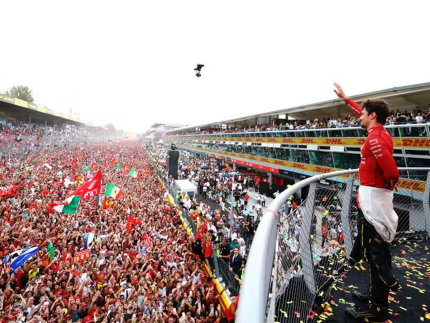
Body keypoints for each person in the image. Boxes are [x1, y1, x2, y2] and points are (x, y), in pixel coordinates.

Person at [334, 83, 399, 322]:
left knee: (376, 256)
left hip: (374, 203)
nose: (358, 117)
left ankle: (378, 309)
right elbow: (389, 173)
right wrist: (346, 99)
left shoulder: (374, 139)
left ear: (372, 116)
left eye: (362, 114)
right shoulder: (378, 133)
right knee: (374, 253)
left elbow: (392, 171)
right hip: (372, 199)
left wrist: (390, 183)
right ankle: (374, 296)